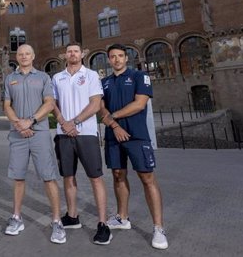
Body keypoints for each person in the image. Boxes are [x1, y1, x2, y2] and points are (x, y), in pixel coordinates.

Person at [99, 44, 168, 250]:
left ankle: (158, 228)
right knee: (118, 175)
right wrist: (114, 125)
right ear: (109, 60)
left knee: (147, 178)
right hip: (113, 136)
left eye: (120, 56)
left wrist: (113, 117)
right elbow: (100, 109)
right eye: (113, 57)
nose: (117, 60)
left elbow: (140, 104)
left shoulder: (140, 76)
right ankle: (122, 217)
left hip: (137, 136)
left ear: (126, 58)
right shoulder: (104, 82)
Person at [3, 44, 66, 244]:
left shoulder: (43, 77)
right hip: (17, 134)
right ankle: (16, 218)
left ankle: (57, 221)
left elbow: (49, 103)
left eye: (27, 53)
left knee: (49, 177)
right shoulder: (10, 78)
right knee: (18, 177)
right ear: (17, 57)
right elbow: (6, 105)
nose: (23, 56)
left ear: (33, 56)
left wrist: (30, 121)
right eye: (20, 54)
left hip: (38, 132)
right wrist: (19, 125)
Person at [52, 43, 111, 245]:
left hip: (86, 133)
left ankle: (103, 224)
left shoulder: (92, 75)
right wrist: (63, 123)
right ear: (64, 55)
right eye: (69, 51)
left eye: (76, 51)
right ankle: (73, 216)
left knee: (95, 177)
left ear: (82, 54)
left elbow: (95, 104)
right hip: (63, 134)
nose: (72, 54)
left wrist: (74, 122)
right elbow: (54, 105)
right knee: (68, 177)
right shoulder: (57, 77)